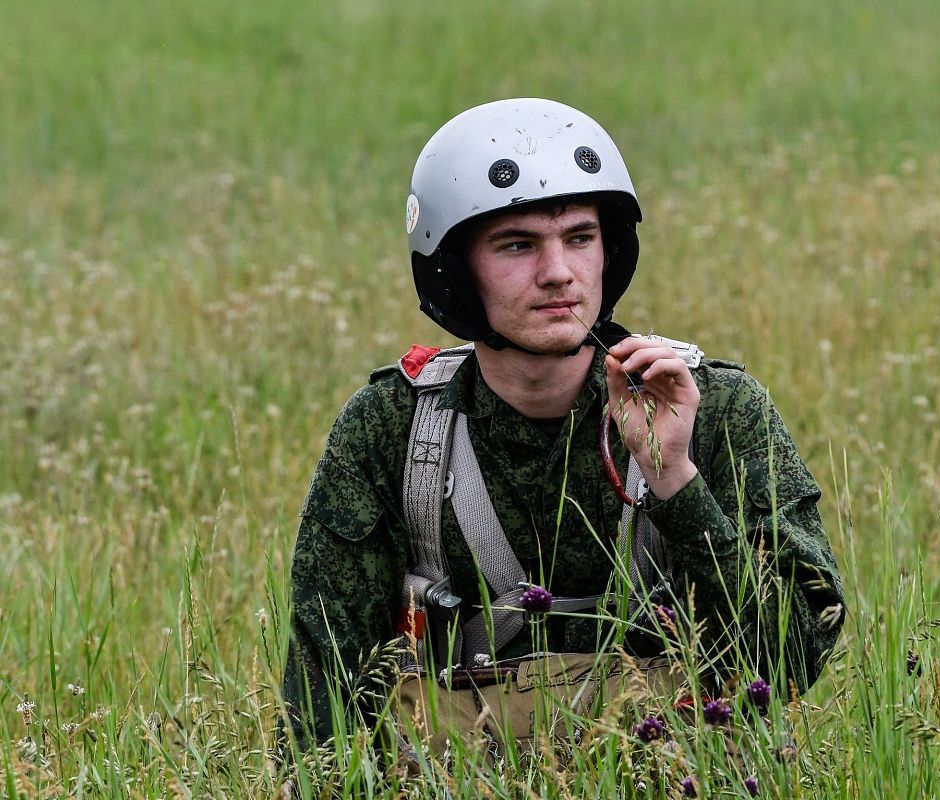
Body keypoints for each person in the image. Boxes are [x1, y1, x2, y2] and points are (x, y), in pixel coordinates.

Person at [281, 98, 844, 751]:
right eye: (516, 245)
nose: (557, 274)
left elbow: (796, 661)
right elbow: (321, 694)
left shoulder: (716, 406)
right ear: (456, 272)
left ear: (611, 252)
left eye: (579, 237)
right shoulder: (392, 425)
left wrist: (679, 484)